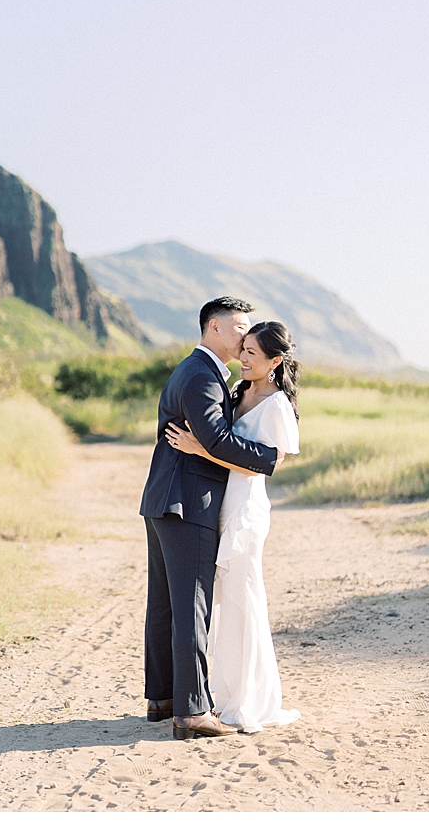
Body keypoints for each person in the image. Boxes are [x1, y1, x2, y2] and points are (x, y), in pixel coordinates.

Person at [139, 297, 284, 739]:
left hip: (168, 500)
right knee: (191, 605)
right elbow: (217, 441)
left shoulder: (197, 370)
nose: (246, 336)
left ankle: (163, 698)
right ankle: (191, 711)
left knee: (165, 602)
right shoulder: (201, 375)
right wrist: (269, 458)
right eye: (241, 327)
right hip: (189, 503)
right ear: (215, 328)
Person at [165, 321, 302, 733]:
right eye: (242, 349)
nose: (242, 358)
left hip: (246, 509)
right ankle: (224, 696)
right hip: (222, 506)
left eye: (252, 354)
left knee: (244, 601)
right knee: (224, 605)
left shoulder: (277, 405)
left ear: (275, 361)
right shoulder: (239, 393)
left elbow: (266, 464)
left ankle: (250, 701)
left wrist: (200, 449)